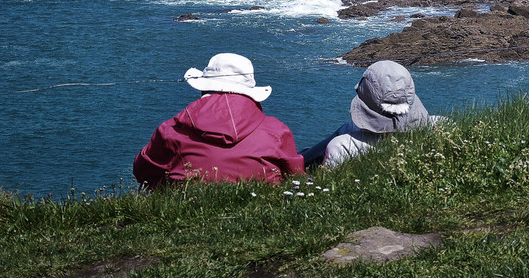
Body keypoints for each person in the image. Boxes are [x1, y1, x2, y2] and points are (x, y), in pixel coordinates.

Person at [133, 52, 305, 189]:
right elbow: (296, 176)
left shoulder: (171, 130)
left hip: (189, 216)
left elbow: (142, 173)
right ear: (251, 95)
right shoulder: (276, 130)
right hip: (262, 217)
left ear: (203, 90)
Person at [302, 59, 438, 168]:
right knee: (346, 128)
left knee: (344, 131)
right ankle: (302, 157)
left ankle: (300, 160)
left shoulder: (342, 147)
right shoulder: (440, 125)